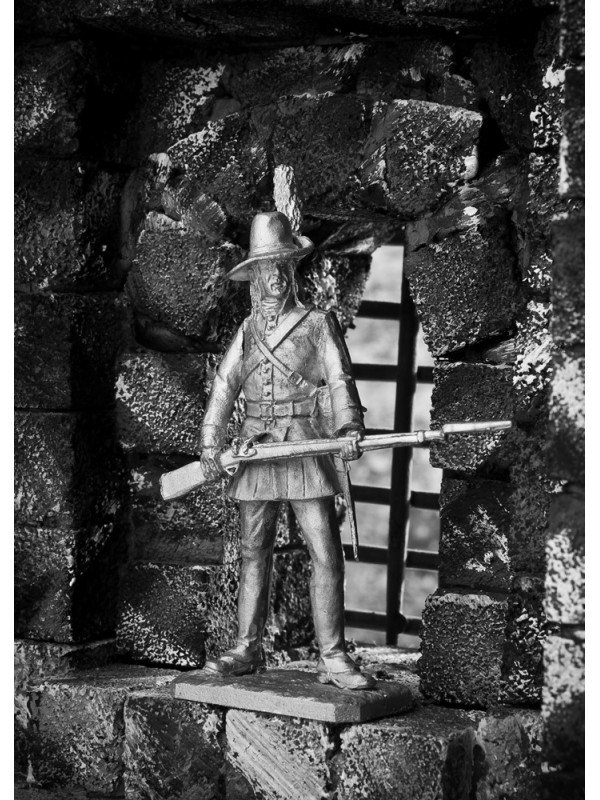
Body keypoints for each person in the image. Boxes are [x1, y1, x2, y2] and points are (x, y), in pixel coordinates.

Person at [199, 211, 375, 690]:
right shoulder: (247, 331)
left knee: (325, 550)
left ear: (292, 269)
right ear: (254, 276)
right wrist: (211, 441)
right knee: (253, 551)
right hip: (255, 447)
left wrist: (348, 425)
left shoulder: (317, 324)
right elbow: (224, 387)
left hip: (303, 444)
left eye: (282, 266)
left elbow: (338, 378)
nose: (275, 276)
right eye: (265, 267)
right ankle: (246, 646)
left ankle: (333, 655)